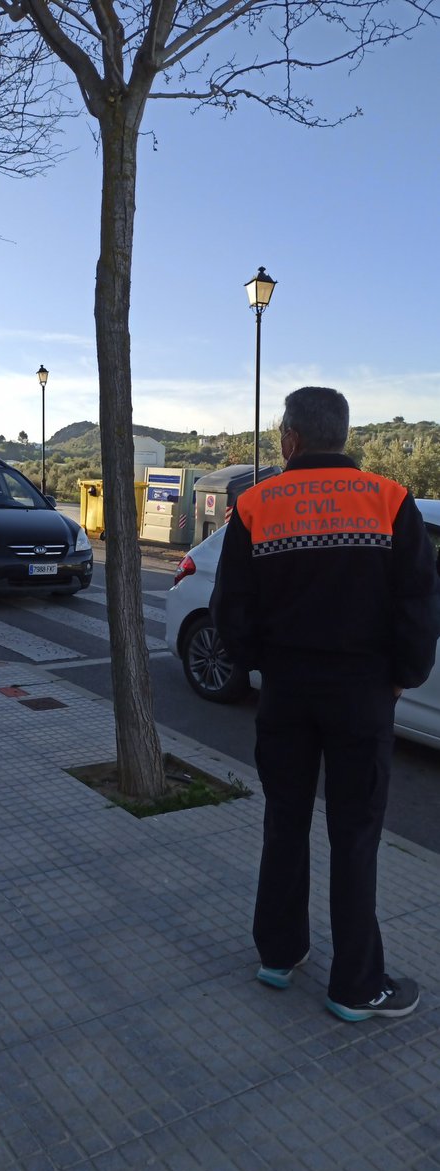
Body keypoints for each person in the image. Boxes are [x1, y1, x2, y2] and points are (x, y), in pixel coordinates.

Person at [212, 386, 440, 1022]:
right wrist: (402, 676)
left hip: (286, 692)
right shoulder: (390, 500)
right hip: (362, 695)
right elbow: (420, 603)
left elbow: (233, 609)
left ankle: (279, 955)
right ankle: (356, 986)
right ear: (344, 436)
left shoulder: (255, 505)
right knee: (355, 834)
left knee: (285, 821)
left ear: (289, 439)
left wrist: (265, 664)